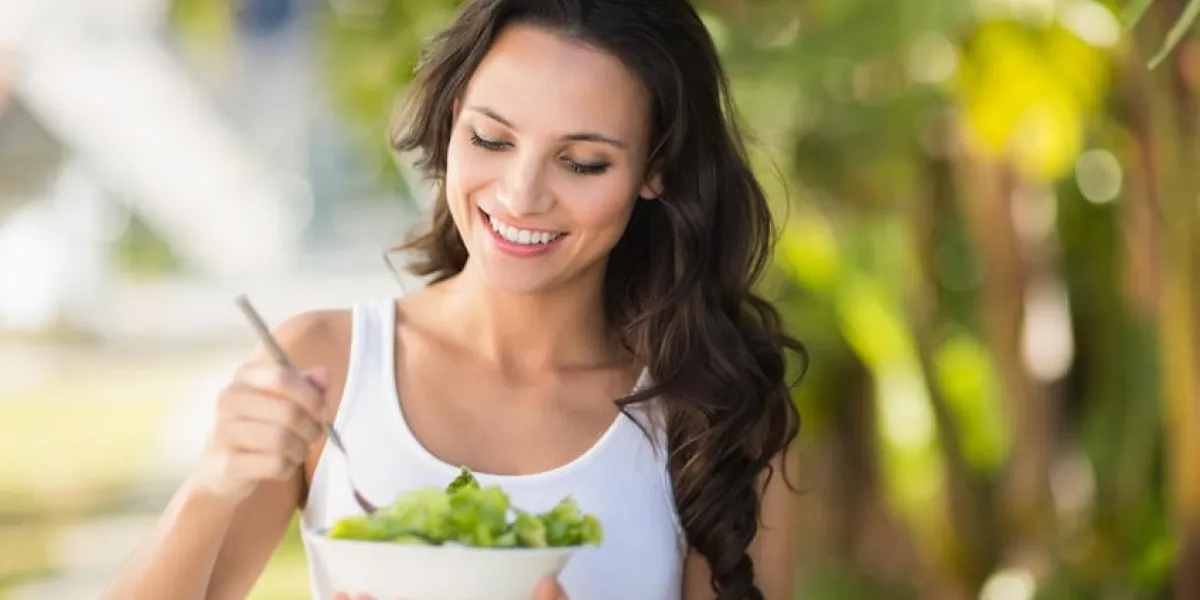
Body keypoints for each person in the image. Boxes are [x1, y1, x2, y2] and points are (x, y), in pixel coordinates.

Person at [104, 0, 806, 598]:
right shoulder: (327, 365)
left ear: (658, 169)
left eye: (583, 161)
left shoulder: (721, 413)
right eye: (491, 139)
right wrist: (213, 482)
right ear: (450, 123)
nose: (520, 195)